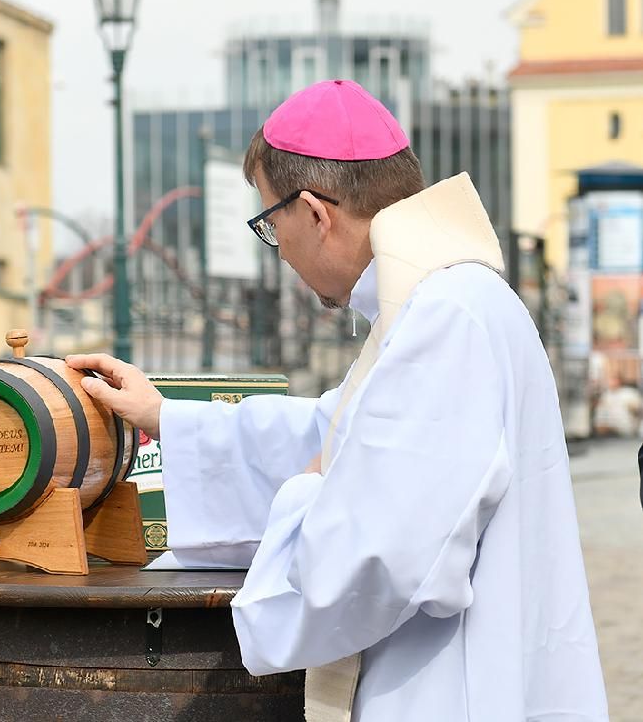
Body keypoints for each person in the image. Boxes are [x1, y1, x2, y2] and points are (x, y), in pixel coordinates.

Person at [67, 80, 607, 721]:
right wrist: (168, 418)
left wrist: (304, 496)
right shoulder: (453, 300)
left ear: (317, 213)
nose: (281, 254)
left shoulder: (445, 317)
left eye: (271, 223)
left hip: (451, 692)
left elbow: (368, 563)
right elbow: (340, 431)